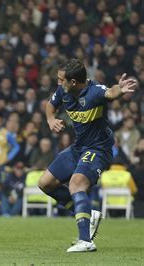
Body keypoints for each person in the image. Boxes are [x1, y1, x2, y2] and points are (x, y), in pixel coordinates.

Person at [39, 59, 138, 252]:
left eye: (61, 80)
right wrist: (51, 119)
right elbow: (50, 106)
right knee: (45, 183)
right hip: (78, 148)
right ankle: (86, 213)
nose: (58, 83)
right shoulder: (63, 91)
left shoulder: (94, 92)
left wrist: (120, 88)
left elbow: (110, 92)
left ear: (73, 82)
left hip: (98, 149)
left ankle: (86, 241)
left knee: (77, 184)